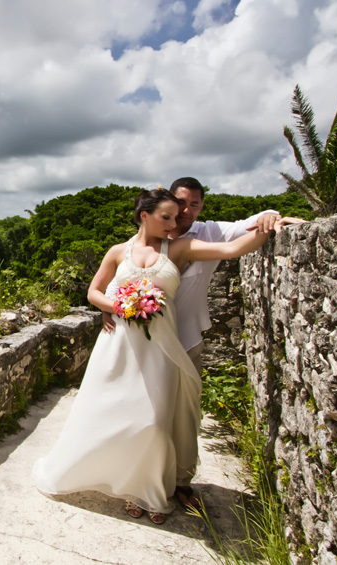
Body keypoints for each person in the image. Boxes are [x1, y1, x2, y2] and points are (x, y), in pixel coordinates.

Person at [32, 189, 290, 524]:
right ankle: (128, 487)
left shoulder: (180, 248)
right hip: (120, 347)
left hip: (161, 349)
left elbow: (231, 249)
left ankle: (150, 490)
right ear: (144, 216)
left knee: (153, 422)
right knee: (115, 415)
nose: (175, 223)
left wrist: (269, 222)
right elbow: (94, 292)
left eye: (175, 217)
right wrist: (121, 306)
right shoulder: (117, 251)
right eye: (166, 217)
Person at [102, 177, 305, 510]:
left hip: (186, 338)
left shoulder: (203, 236)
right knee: (144, 415)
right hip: (143, 346)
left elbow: (241, 233)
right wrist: (113, 308)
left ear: (201, 207)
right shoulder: (138, 243)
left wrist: (273, 217)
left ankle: (180, 480)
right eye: (178, 204)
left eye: (194, 205)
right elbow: (119, 279)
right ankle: (141, 482)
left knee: (185, 416)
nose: (184, 211)